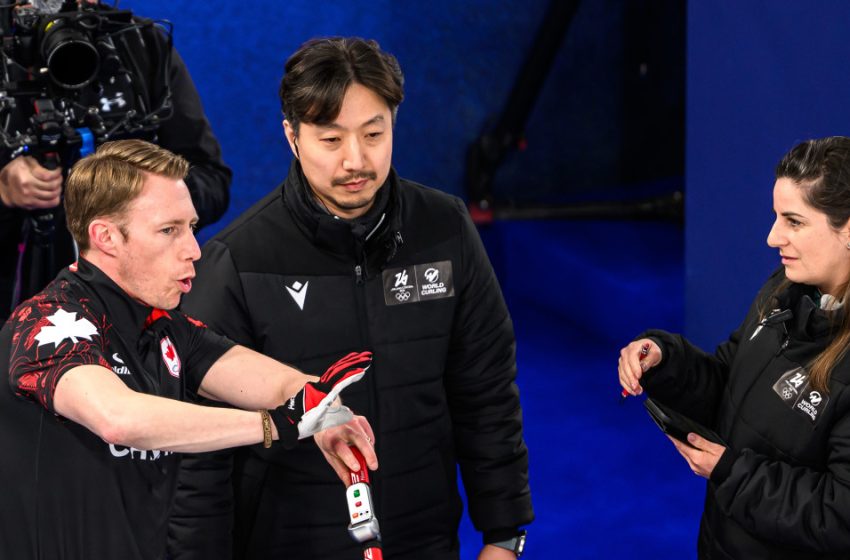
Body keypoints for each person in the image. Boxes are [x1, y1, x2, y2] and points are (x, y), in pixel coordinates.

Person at [169, 37, 533, 560]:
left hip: (425, 539)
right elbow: (198, 453)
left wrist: (504, 535)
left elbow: (487, 393)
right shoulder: (238, 261)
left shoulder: (446, 229)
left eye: (374, 134)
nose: (355, 160)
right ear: (292, 137)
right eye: (331, 139)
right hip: (289, 544)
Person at [0, 139, 377, 560]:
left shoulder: (166, 328)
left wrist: (329, 413)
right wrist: (275, 425)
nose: (194, 250)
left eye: (191, 227)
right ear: (106, 237)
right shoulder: (46, 323)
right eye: (169, 230)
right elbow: (119, 419)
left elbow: (280, 385)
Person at [618, 136, 850, 558]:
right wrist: (664, 359)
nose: (772, 237)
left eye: (794, 222)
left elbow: (840, 518)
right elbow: (729, 381)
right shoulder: (783, 290)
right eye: (776, 217)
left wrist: (731, 472)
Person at [0, 0, 231, 321]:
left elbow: (212, 183)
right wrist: (4, 193)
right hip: (16, 303)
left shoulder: (139, 44)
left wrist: (147, 197)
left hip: (140, 314)